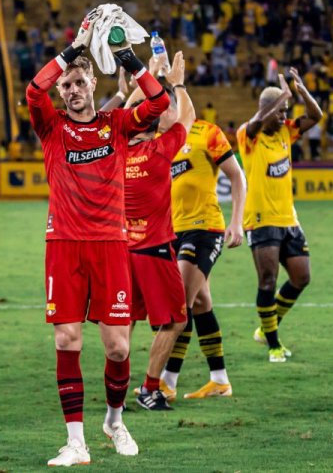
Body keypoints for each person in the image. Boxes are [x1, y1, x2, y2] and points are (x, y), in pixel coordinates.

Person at [27, 12, 169, 466]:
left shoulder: (117, 124)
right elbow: (34, 90)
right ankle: (75, 441)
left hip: (110, 245)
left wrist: (131, 59)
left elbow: (159, 104)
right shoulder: (50, 127)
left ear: (93, 84)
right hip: (64, 245)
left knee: (119, 347)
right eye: (65, 84)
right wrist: (72, 50)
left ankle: (113, 420)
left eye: (78, 82)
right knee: (67, 340)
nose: (70, 90)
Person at [161, 90, 246, 400]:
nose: (154, 115)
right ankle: (220, 380)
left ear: (173, 106)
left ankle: (166, 382)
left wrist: (236, 222)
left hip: (204, 229)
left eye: (158, 108)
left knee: (179, 304)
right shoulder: (163, 141)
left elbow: (237, 177)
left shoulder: (205, 132)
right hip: (172, 232)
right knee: (199, 303)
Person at [121, 52, 193, 411]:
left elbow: (123, 114)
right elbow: (189, 117)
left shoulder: (116, 151)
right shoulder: (160, 151)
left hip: (123, 251)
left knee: (127, 321)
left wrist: (146, 76)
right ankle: (151, 389)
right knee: (177, 320)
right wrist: (176, 82)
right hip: (154, 250)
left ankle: (115, 386)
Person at [238, 68, 322, 362]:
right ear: (264, 110)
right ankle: (273, 344)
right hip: (261, 220)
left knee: (302, 277)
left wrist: (299, 90)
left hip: (289, 219)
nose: (283, 116)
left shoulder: (287, 130)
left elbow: (317, 116)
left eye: (286, 111)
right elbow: (257, 122)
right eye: (280, 111)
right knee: (267, 281)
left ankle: (265, 327)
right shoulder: (248, 135)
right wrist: (281, 95)